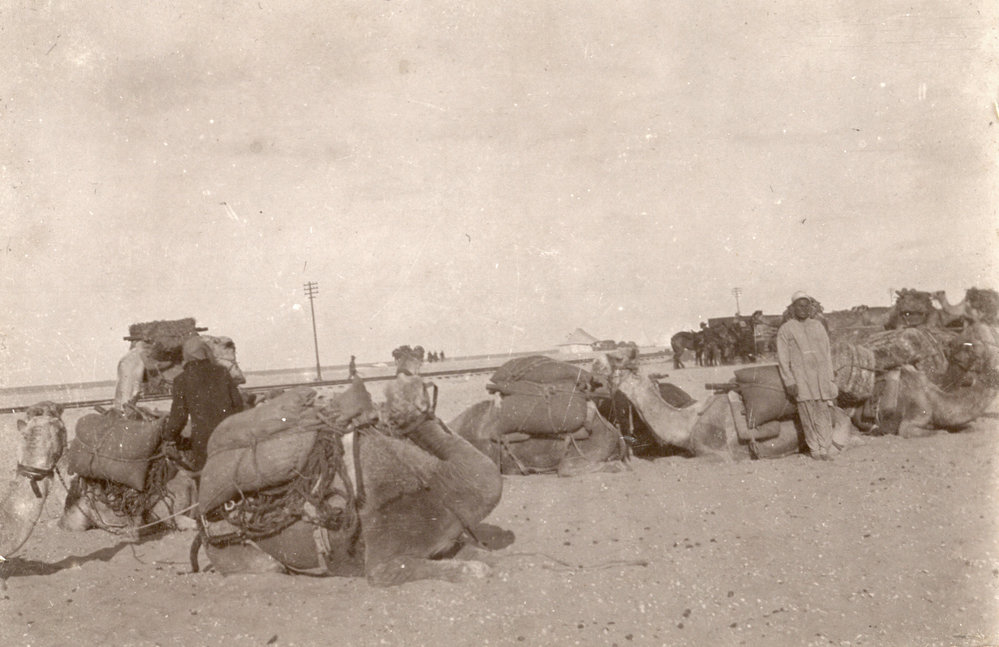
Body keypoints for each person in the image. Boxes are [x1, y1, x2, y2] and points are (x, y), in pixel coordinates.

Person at [161, 336, 245, 472]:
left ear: (186, 355)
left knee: (206, 475)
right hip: (229, 435)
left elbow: (179, 417)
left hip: (204, 441)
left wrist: (169, 437)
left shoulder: (181, 380)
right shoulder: (222, 372)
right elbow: (238, 405)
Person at [776, 291, 839, 461]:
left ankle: (825, 448)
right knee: (807, 414)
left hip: (820, 377)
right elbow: (783, 359)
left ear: (810, 308)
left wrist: (830, 378)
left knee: (823, 412)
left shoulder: (818, 326)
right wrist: (789, 381)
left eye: (806, 306)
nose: (803, 309)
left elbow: (827, 353)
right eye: (799, 306)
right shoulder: (786, 329)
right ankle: (815, 450)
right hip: (801, 378)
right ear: (793, 308)